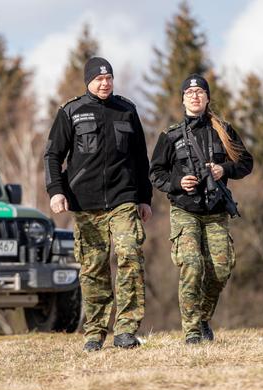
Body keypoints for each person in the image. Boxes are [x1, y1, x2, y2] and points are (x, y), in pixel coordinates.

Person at [44, 57, 152, 352]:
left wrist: (145, 198)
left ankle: (126, 329)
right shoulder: (71, 111)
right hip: (85, 202)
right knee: (94, 268)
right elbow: (53, 155)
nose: (105, 83)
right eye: (99, 79)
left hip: (123, 198)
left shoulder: (126, 110)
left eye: (109, 78)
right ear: (88, 81)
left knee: (130, 255)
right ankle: (95, 332)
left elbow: (141, 159)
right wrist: (56, 191)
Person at [149, 74, 253, 344]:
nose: (195, 96)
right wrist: (177, 182)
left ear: (207, 98)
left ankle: (203, 316)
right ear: (183, 99)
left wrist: (224, 169)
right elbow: (155, 173)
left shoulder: (224, 130)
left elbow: (246, 163)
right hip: (185, 210)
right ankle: (192, 330)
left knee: (221, 268)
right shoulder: (170, 136)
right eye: (190, 93)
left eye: (200, 92)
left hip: (216, 210)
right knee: (192, 265)